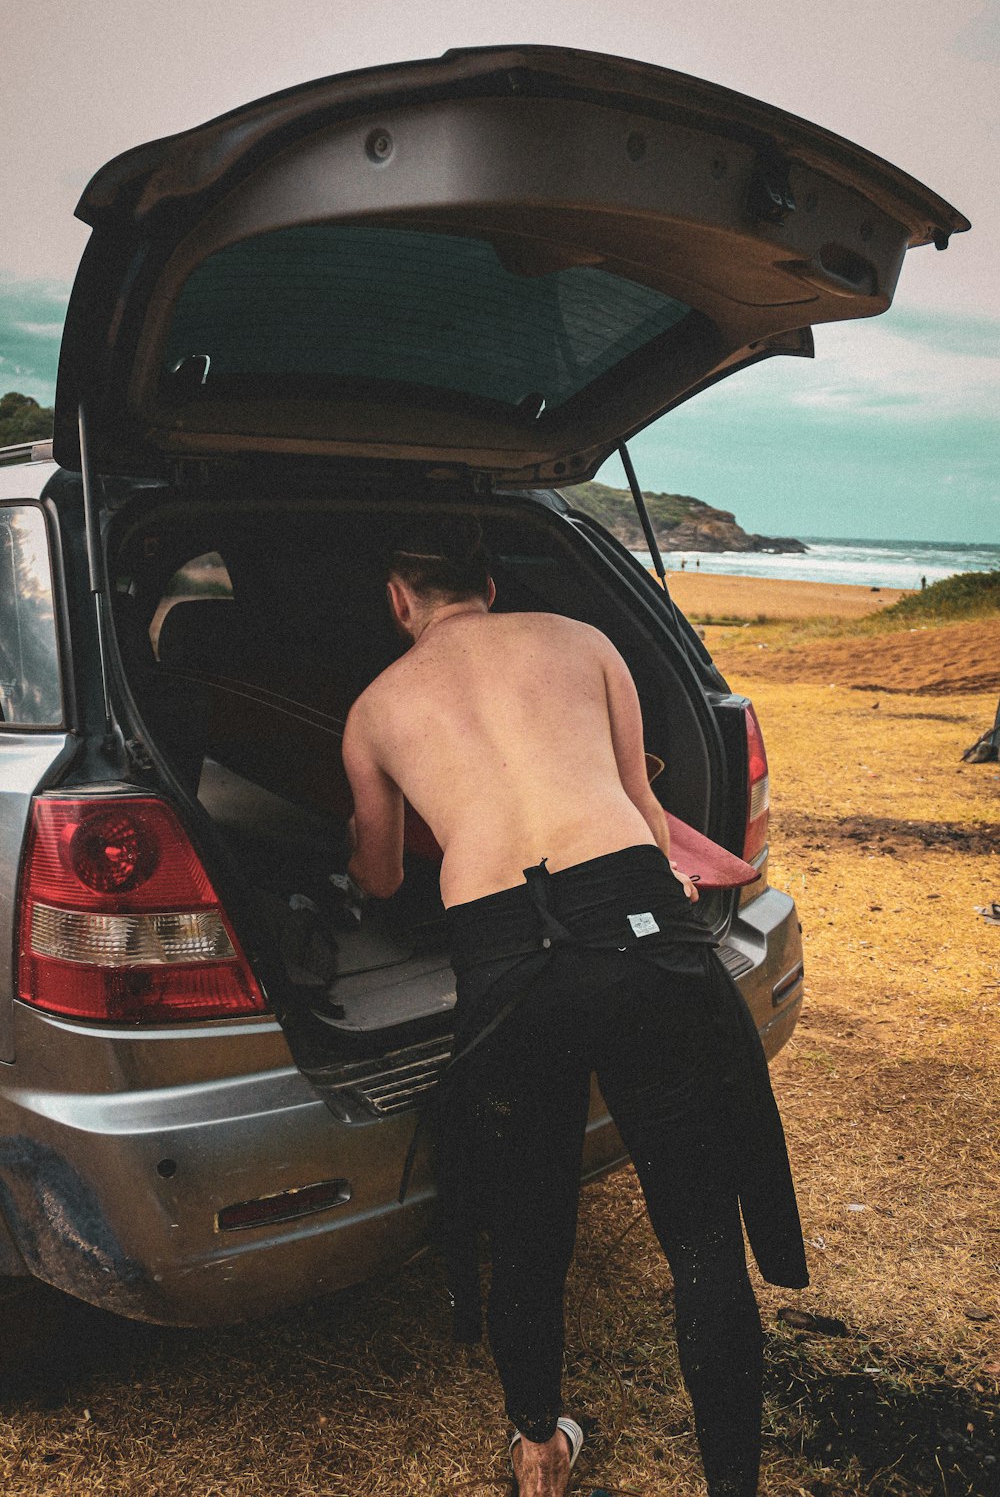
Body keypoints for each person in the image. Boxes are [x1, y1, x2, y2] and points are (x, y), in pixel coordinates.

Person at [341, 516, 807, 1497]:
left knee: (527, 1223)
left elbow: (380, 882)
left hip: (512, 971)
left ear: (396, 600)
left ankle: (536, 1448)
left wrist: (359, 844)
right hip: (636, 925)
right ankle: (733, 1485)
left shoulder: (375, 710)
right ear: (491, 583)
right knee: (698, 1229)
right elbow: (641, 809)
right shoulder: (585, 643)